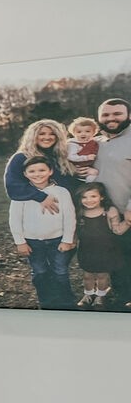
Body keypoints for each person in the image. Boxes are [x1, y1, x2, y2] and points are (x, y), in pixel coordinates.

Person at [9, 155, 78, 310]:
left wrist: (67, 239)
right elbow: (14, 220)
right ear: (25, 174)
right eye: (32, 171)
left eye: (42, 170)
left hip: (57, 239)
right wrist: (20, 242)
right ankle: (46, 300)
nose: (37, 174)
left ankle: (67, 301)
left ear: (50, 171)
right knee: (39, 271)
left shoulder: (61, 192)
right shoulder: (22, 194)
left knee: (60, 270)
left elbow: (69, 217)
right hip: (33, 241)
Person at [87, 99, 131, 309]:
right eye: (105, 115)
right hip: (104, 214)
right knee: (115, 256)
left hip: (128, 210)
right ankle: (122, 292)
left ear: (128, 115)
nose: (111, 118)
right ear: (98, 118)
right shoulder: (94, 143)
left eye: (117, 114)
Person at [3, 119, 75, 217]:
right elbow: (13, 186)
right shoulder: (22, 157)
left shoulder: (61, 156)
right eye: (42, 134)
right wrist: (42, 197)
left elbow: (69, 182)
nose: (47, 137)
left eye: (52, 134)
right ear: (33, 136)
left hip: (67, 211)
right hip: (38, 213)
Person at [72, 184, 128, 308]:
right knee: (87, 275)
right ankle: (88, 294)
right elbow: (75, 231)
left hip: (106, 250)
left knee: (102, 275)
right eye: (84, 197)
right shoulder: (80, 212)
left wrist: (128, 222)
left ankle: (101, 295)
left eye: (93, 196)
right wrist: (72, 241)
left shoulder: (108, 211)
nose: (89, 200)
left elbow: (117, 230)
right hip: (87, 249)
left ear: (101, 197)